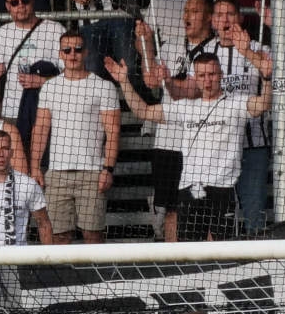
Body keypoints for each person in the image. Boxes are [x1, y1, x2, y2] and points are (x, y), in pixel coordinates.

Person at [106, 53, 269, 242]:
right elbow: (143, 111)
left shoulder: (236, 104)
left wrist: (267, 79)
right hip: (189, 189)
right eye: (202, 75)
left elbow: (263, 104)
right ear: (195, 78)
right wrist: (124, 81)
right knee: (188, 249)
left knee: (222, 249)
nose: (207, 80)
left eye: (212, 74)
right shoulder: (185, 107)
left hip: (222, 189)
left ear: (221, 75)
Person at [139, 0, 218, 242]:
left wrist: (169, 81)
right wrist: (147, 45)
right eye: (186, 11)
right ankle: (174, 261)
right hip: (168, 141)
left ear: (209, 17)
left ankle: (210, 261)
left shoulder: (217, 49)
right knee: (170, 208)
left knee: (205, 208)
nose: (187, 16)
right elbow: (150, 80)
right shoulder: (171, 46)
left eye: (194, 11)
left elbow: (192, 91)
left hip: (202, 143)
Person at [29, 30, 119, 245]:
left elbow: (113, 131)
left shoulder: (103, 86)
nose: (72, 54)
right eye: (67, 50)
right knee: (58, 237)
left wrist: (108, 169)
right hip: (57, 173)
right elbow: (40, 128)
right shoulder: (50, 87)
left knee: (93, 236)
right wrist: (35, 167)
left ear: (86, 52)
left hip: (92, 173)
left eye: (78, 49)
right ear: (60, 53)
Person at [209, 0, 272, 233]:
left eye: (230, 14)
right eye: (219, 15)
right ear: (212, 21)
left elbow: (272, 73)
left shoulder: (260, 48)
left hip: (253, 145)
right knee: (218, 217)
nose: (225, 20)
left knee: (254, 214)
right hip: (216, 147)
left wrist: (246, 51)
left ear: (241, 18)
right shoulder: (204, 52)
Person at [0, 0, 65, 125]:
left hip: (46, 112)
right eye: (14, 2)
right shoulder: (3, 32)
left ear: (33, 1)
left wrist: (42, 81)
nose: (21, 6)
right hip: (11, 112)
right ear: (7, 6)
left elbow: (70, 73)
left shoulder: (55, 29)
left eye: (25, 0)